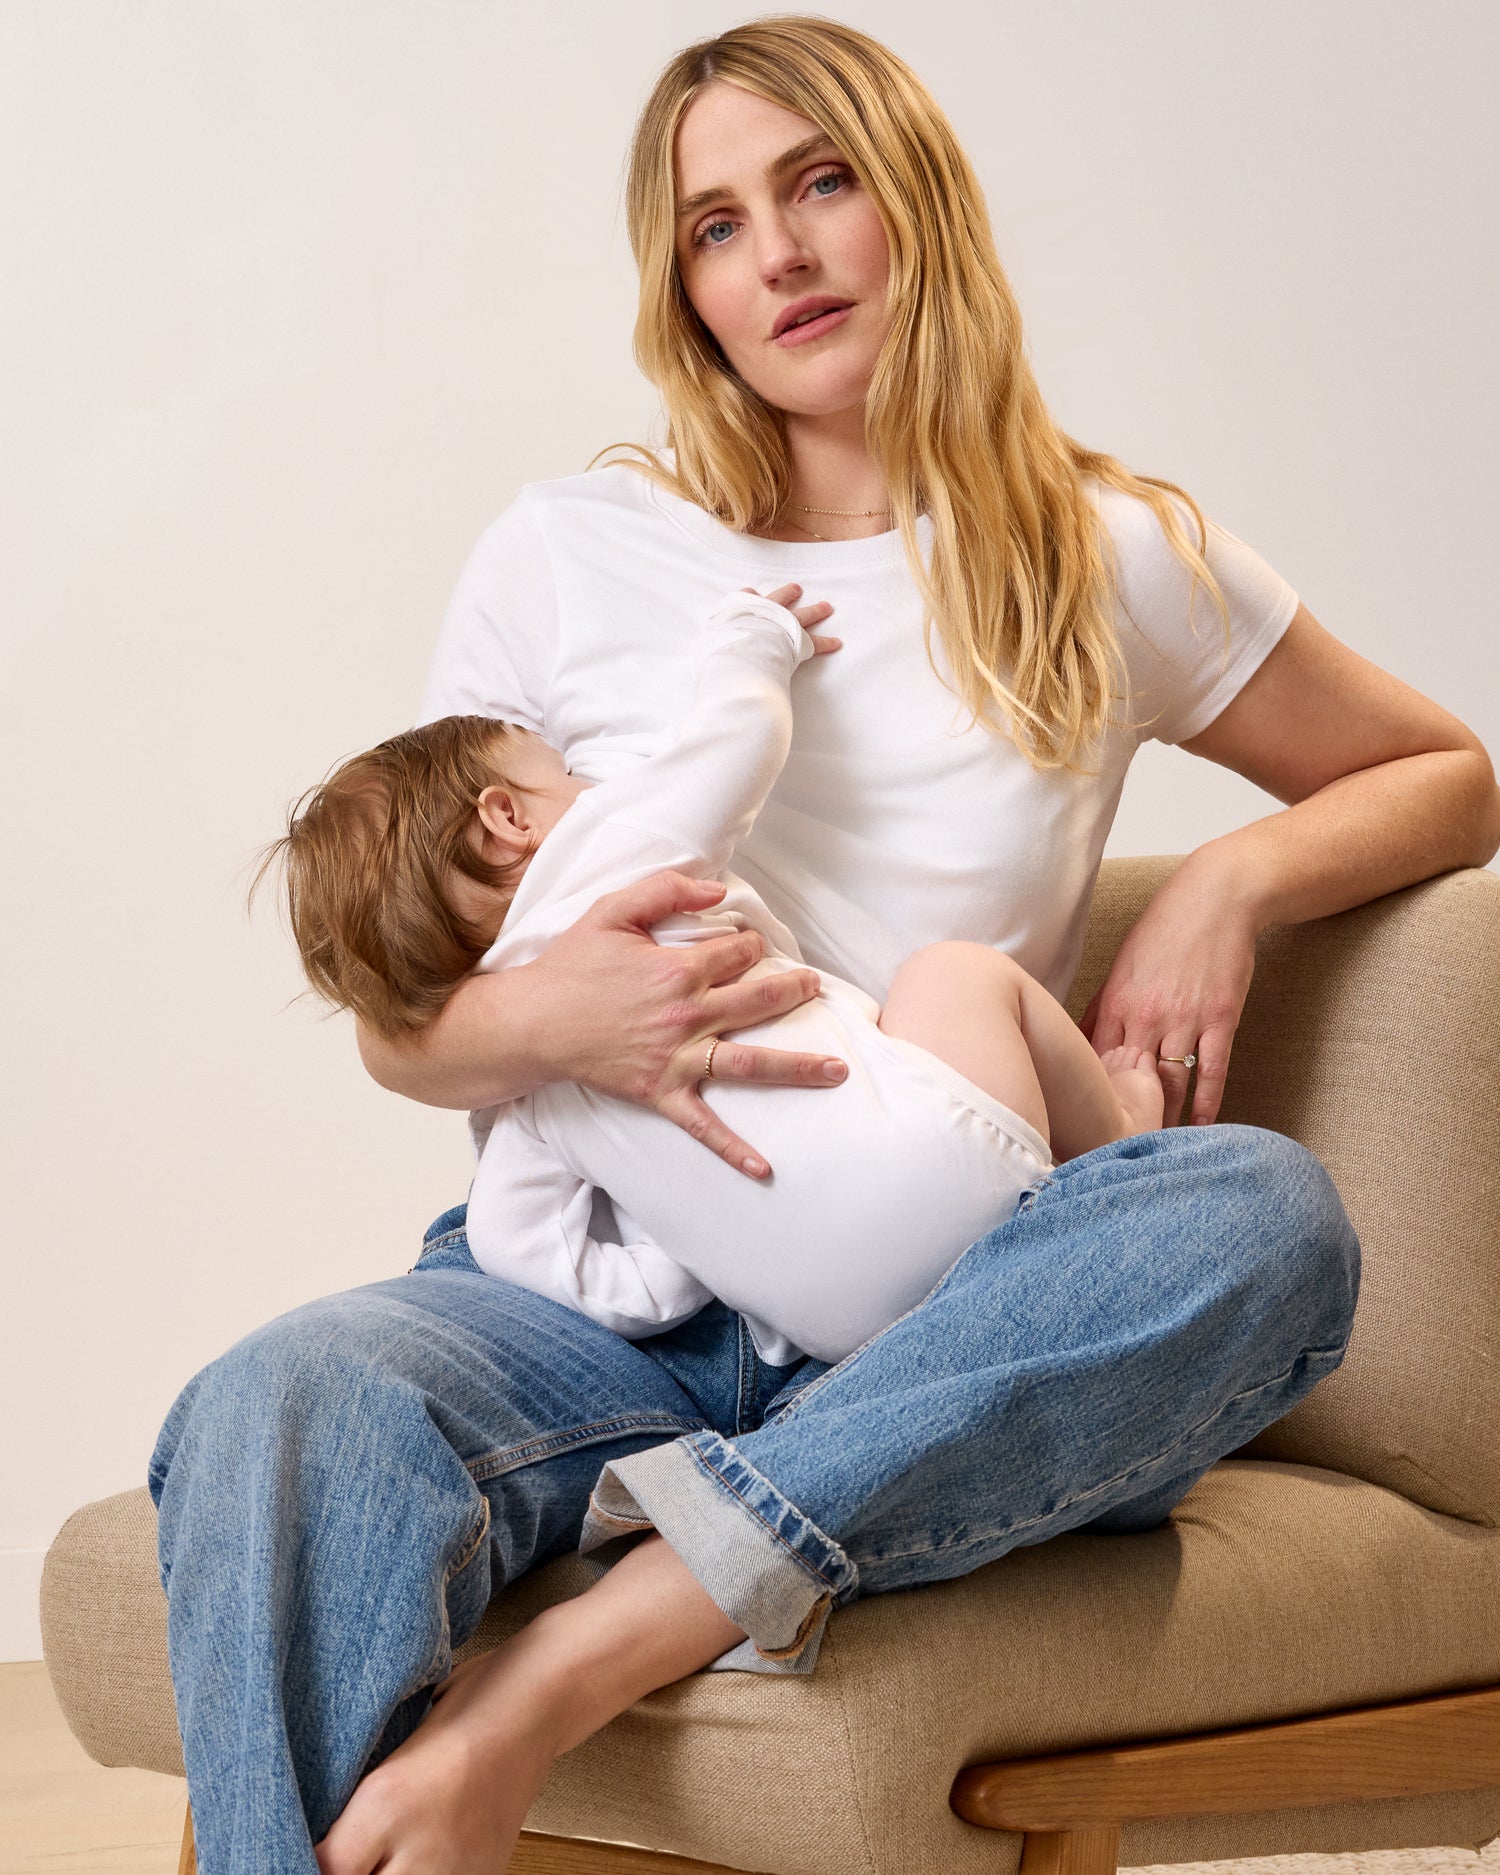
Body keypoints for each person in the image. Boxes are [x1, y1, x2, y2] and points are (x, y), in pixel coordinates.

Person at [146, 18, 1498, 1875]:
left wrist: (1226, 885)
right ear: (684, 290)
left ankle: (563, 1675)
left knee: (1259, 1220)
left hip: (938, 1313)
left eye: (820, 183)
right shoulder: (570, 550)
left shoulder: (1107, 554)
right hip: (598, 1302)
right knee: (281, 1399)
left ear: (914, 200)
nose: (775, 255)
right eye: (714, 226)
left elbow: (1447, 776)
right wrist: (564, 1020)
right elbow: (406, 1019)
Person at [265, 581, 1166, 1369]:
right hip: (950, 1175)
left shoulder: (521, 1106)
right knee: (955, 971)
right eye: (565, 771)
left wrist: (681, 1265)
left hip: (830, 1321)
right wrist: (751, 638)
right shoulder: (607, 857)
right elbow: (738, 738)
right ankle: (1123, 1129)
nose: (586, 783)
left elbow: (514, 1242)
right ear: (507, 817)